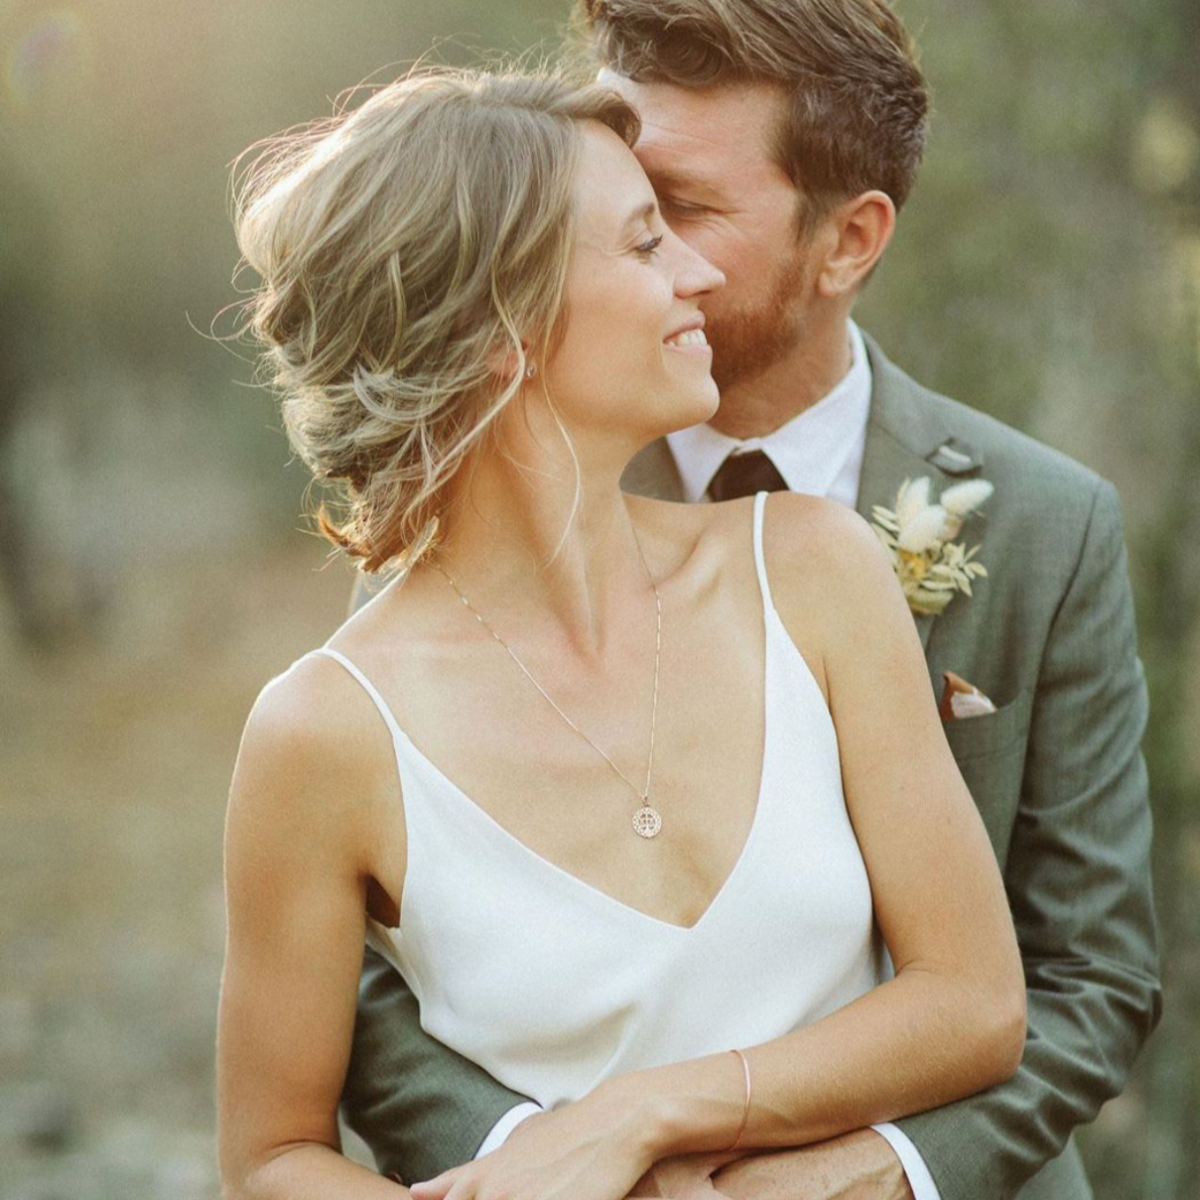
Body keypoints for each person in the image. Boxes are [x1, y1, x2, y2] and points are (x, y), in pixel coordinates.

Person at [339, 4, 1163, 1200]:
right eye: (613, 203)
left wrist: (877, 1172)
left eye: (678, 207)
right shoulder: (471, 512)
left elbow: (1091, 976)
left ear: (847, 243)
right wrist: (555, 1163)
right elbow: (362, 960)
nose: (648, 247)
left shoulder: (1047, 526)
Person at [217, 65, 1027, 1200]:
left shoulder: (813, 570)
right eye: (647, 243)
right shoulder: (322, 733)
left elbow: (976, 1002)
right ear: (501, 329)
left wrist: (639, 1116)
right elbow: (270, 1158)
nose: (700, 272)